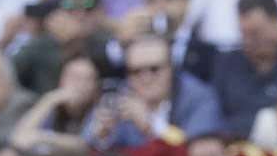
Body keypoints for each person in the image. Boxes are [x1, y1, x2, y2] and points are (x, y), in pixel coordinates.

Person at [87, 34, 224, 149]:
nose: (146, 78)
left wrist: (151, 127)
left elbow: (198, 152)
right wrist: (100, 135)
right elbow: (84, 143)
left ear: (171, 68)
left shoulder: (199, 97)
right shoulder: (119, 95)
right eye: (136, 71)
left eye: (154, 69)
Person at [211, 0, 277, 138]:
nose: (249, 41)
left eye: (256, 32)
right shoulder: (227, 64)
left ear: (276, 20)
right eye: (243, 34)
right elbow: (215, 117)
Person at [10, 51, 100, 154]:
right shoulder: (52, 106)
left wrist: (44, 137)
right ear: (61, 79)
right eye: (75, 77)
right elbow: (18, 139)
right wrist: (48, 100)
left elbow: (86, 144)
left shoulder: (99, 110)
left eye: (88, 79)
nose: (81, 85)